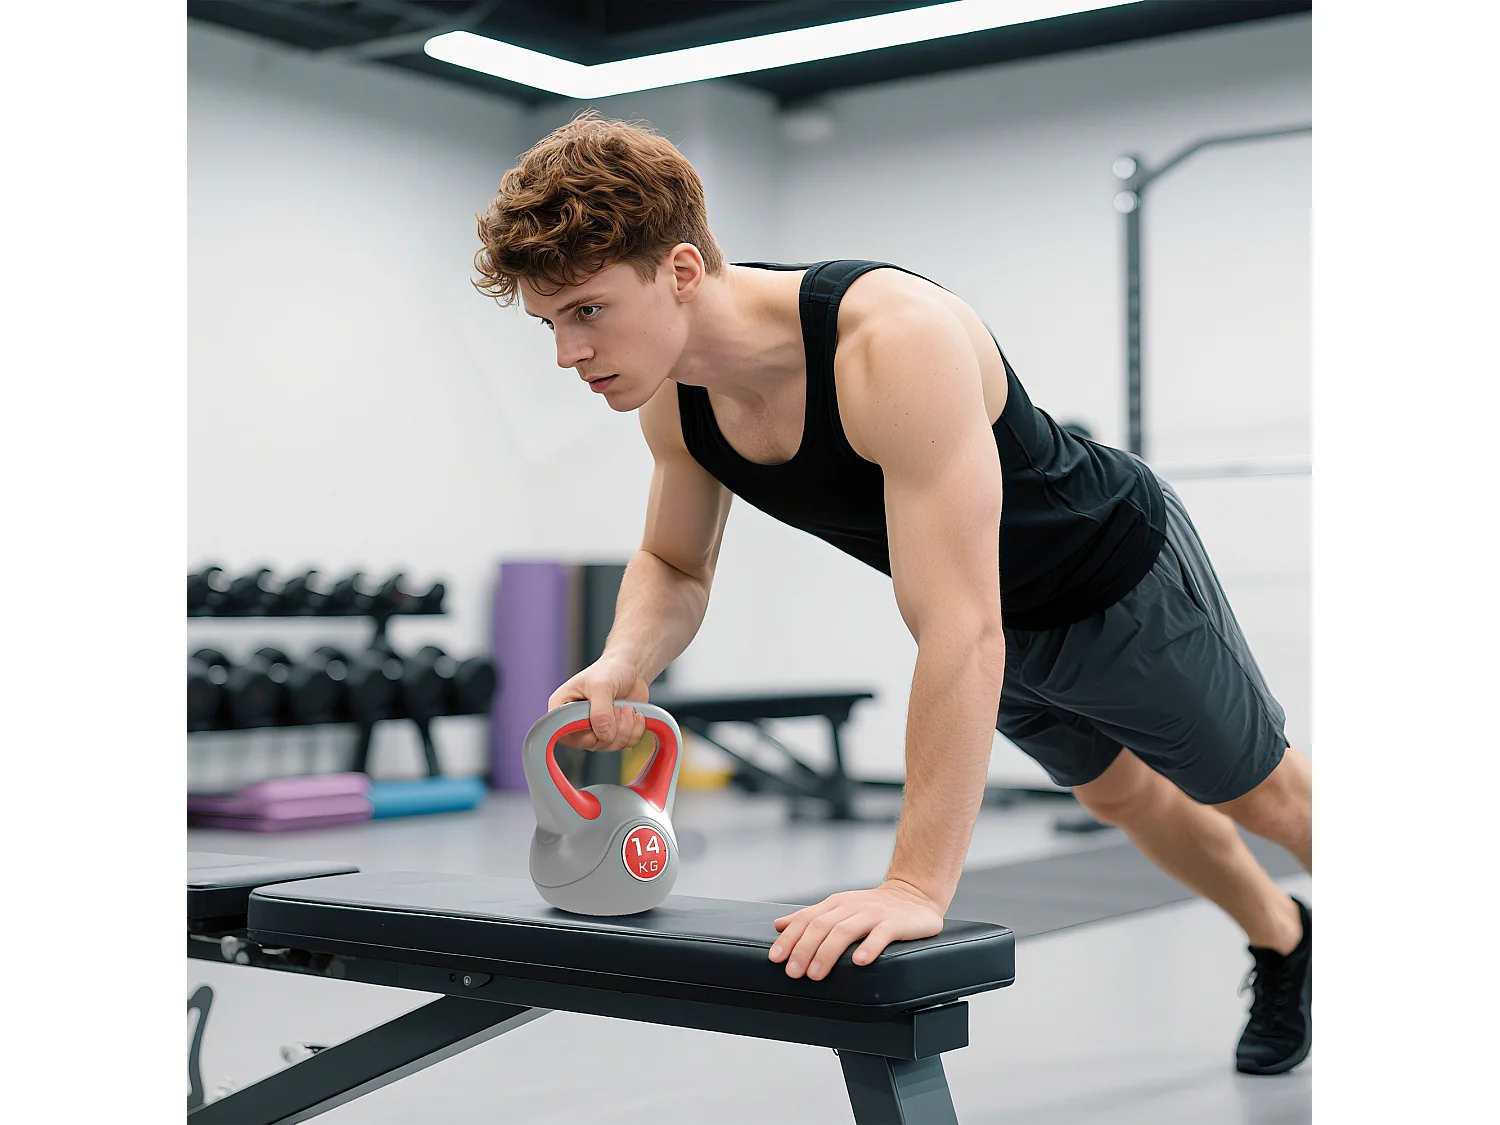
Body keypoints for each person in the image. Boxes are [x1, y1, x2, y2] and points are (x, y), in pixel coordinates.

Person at [473, 111, 1311, 1076]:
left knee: (1271, 800)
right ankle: (1286, 938)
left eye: (587, 311)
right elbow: (675, 563)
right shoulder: (670, 390)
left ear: (683, 269)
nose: (568, 353)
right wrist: (625, 660)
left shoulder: (889, 340)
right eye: (550, 322)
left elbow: (959, 624)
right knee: (1124, 797)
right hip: (1007, 629)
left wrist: (915, 883)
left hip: (1114, 583)